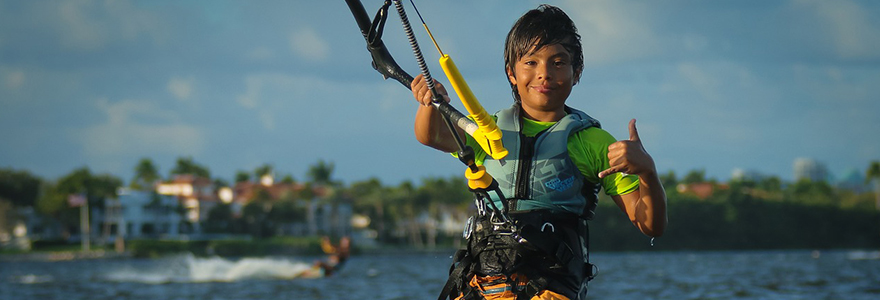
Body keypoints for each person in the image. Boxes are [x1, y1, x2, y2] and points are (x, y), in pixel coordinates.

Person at [411, 5, 667, 300]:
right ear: (511, 73)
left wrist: (647, 171)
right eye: (530, 63)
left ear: (576, 71)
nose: (544, 74)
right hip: (485, 286)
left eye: (558, 62)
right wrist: (429, 103)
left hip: (552, 288)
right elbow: (431, 135)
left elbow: (651, 225)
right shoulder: (488, 131)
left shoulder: (593, 142)